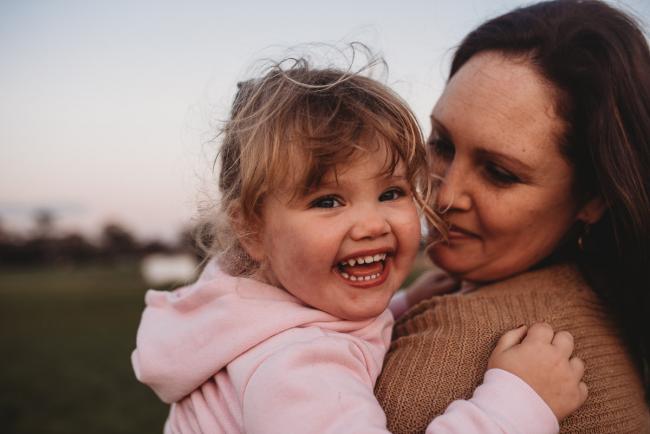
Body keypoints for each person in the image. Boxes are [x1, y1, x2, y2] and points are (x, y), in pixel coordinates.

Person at [131, 56, 587, 433]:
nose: (371, 224)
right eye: (328, 201)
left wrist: (404, 304)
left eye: (391, 193)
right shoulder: (297, 367)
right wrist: (517, 404)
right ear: (253, 232)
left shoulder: (250, 308)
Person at [375, 1, 650, 433]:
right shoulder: (601, 313)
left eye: (500, 173)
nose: (444, 195)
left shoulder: (452, 357)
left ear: (593, 198)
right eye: (442, 144)